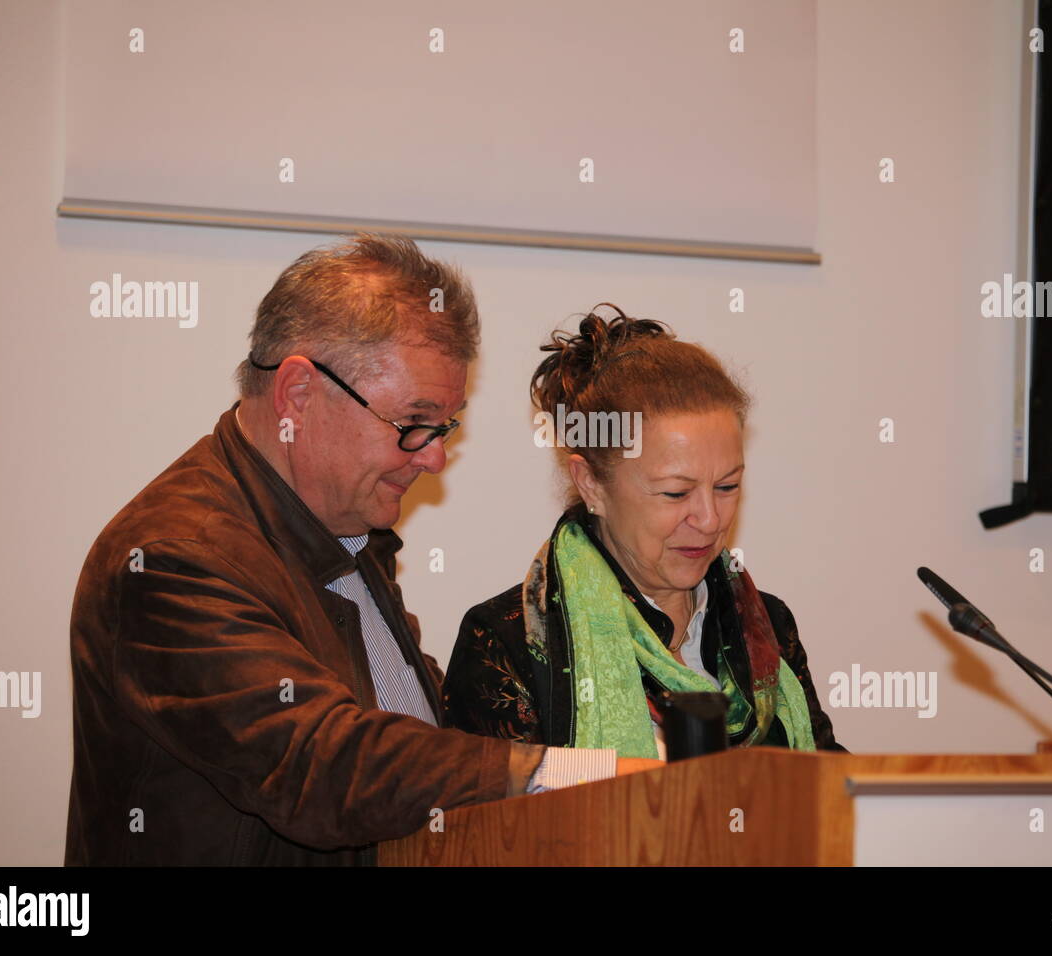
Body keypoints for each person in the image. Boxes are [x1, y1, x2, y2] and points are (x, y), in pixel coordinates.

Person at [66, 236, 643, 866]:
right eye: (413, 424)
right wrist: (568, 773)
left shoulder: (341, 527)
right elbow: (324, 765)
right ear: (297, 393)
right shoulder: (175, 558)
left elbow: (411, 736)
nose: (434, 456)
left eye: (444, 426)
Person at [443, 305, 845, 758]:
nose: (710, 519)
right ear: (591, 484)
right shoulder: (510, 642)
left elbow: (830, 792)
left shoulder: (765, 627)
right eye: (676, 493)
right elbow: (501, 822)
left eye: (728, 486)